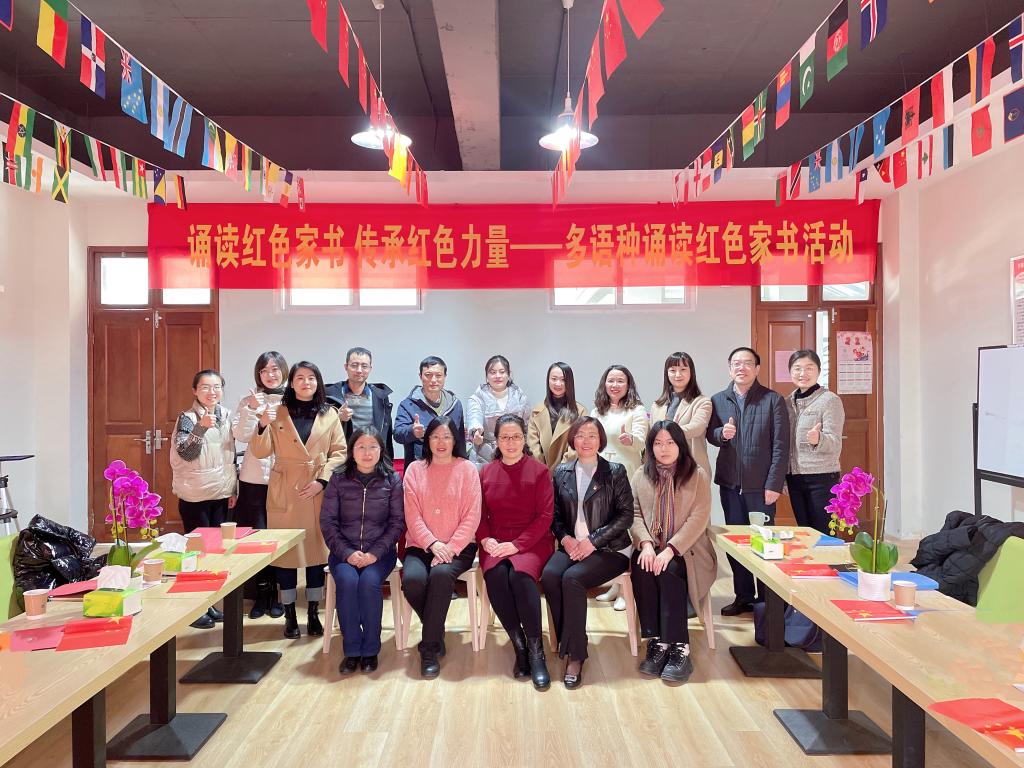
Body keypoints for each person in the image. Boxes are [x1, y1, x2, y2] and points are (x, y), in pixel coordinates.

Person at [249, 361, 347, 639]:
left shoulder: (330, 414)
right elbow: (260, 451)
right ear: (291, 383)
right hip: (285, 490)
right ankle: (290, 614)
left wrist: (322, 481)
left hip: (317, 489)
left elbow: (340, 452)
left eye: (311, 377)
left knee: (316, 554)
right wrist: (262, 424)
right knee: (287, 555)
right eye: (300, 378)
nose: (306, 382)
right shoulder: (277, 412)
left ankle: (313, 612)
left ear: (318, 382)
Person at [541, 417, 633, 689]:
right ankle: (569, 638)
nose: (586, 440)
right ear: (572, 440)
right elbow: (554, 515)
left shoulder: (615, 471)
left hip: (610, 548)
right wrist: (566, 538)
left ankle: (576, 655)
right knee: (550, 575)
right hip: (573, 545)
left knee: (572, 579)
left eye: (592, 435)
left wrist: (592, 541)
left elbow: (626, 516)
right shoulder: (562, 472)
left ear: (601, 440)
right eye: (580, 435)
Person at [629, 421, 718, 684]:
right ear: (650, 447)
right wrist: (646, 544)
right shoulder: (641, 475)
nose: (664, 448)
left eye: (670, 442)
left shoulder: (697, 475)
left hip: (688, 550)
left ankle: (680, 646)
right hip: (651, 545)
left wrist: (670, 549)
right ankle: (658, 640)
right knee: (642, 567)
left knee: (669, 570)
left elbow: (699, 517)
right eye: (658, 443)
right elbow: (634, 514)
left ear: (680, 444)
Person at [706, 347, 790, 616]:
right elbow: (710, 435)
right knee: (736, 543)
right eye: (736, 363)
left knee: (763, 542)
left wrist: (774, 484)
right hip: (730, 484)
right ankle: (743, 596)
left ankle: (766, 599)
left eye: (747, 363)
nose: (741, 368)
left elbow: (781, 446)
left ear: (757, 368)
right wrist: (722, 433)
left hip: (761, 486)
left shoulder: (772, 400)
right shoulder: (718, 399)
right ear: (729, 368)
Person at [401, 416, 481, 678]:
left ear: (455, 440)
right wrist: (433, 544)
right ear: (427, 440)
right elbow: (412, 515)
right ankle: (435, 629)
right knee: (412, 581)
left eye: (447, 436)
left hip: (460, 546)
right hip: (421, 545)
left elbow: (472, 516)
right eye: (435, 436)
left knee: (440, 574)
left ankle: (429, 648)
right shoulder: (415, 469)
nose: (441, 442)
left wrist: (450, 547)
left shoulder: (467, 469)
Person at [477, 415, 554, 690]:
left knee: (520, 577)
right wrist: (485, 538)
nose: (511, 443)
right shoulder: (485, 472)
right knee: (496, 576)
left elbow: (545, 517)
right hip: (496, 540)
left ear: (524, 439)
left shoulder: (539, 471)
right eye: (505, 438)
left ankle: (536, 652)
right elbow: (479, 515)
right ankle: (518, 645)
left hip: (533, 541)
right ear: (496, 441)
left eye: (516, 437)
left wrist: (517, 545)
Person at [320, 426, 405, 674]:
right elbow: (328, 522)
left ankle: (370, 650)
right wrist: (347, 553)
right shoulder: (338, 479)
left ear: (381, 450)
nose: (367, 453)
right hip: (343, 553)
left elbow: (397, 523)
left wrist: (374, 553)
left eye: (372, 447)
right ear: (352, 451)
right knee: (347, 582)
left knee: (368, 582)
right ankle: (351, 650)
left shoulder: (392, 479)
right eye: (361, 447)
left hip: (380, 553)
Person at [171, 369, 237, 629]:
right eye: (206, 387)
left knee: (213, 553)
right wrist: (200, 428)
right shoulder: (187, 418)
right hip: (195, 494)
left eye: (217, 387)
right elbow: (186, 453)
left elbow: (230, 456)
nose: (212, 392)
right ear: (195, 391)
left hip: (220, 492)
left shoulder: (226, 416)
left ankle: (208, 603)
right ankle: (193, 609)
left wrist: (233, 489)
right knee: (196, 553)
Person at [232, 351, 287, 621]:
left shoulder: (292, 400)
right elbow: (241, 436)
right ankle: (261, 594)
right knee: (257, 538)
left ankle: (278, 595)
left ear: (283, 371)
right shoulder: (249, 401)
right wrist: (252, 410)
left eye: (275, 369)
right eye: (265, 370)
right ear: (259, 374)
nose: (270, 375)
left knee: (279, 538)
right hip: (254, 479)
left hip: (283, 479)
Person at [590, 364, 648, 610]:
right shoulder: (597, 410)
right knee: (608, 531)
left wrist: (630, 439)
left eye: (620, 381)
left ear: (628, 385)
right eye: (611, 380)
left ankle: (628, 590)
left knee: (627, 532)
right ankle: (615, 584)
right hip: (601, 476)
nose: (615, 385)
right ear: (605, 384)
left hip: (626, 475)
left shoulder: (637, 410)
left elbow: (643, 442)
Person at [785, 349, 845, 534]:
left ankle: (831, 556)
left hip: (822, 478)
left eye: (809, 368)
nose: (802, 373)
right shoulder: (787, 403)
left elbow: (835, 442)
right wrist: (783, 479)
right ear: (790, 372)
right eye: (797, 368)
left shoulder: (829, 400)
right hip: (795, 478)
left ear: (819, 371)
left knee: (824, 534)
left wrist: (819, 439)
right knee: (806, 533)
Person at [324, 346, 396, 461]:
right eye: (354, 365)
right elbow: (318, 427)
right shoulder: (330, 395)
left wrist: (387, 461)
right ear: (346, 367)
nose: (359, 370)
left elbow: (386, 434)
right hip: (342, 458)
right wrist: (337, 417)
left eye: (364, 366)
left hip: (371, 458)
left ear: (370, 368)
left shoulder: (380, 396)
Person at [649, 352, 713, 480]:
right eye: (673, 370)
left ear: (691, 372)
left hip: (691, 470)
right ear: (667, 374)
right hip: (661, 470)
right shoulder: (657, 405)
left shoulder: (702, 402)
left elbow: (696, 428)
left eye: (683, 369)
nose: (678, 374)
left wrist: (668, 432)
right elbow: (651, 436)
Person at [394, 356, 466, 463]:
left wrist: (462, 463)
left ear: (445, 376)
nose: (433, 380)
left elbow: (460, 439)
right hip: (420, 466)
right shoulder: (407, 405)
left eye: (438, 375)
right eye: (428, 375)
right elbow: (398, 434)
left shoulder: (455, 404)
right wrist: (412, 431)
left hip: (450, 465)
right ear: (420, 376)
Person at [466, 355, 532, 468]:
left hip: (514, 451)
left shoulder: (519, 397)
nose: (497, 376)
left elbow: (527, 425)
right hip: (485, 454)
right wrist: (476, 431)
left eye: (502, 372)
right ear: (487, 376)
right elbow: (474, 416)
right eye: (493, 372)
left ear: (508, 374)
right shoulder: (478, 397)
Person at [526, 362, 588, 474]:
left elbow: (577, 446)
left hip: (568, 473)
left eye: (563, 380)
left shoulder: (580, 412)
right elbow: (532, 445)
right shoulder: (537, 411)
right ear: (548, 380)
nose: (558, 383)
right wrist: (543, 471)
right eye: (554, 379)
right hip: (540, 473)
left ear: (569, 382)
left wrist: (559, 472)